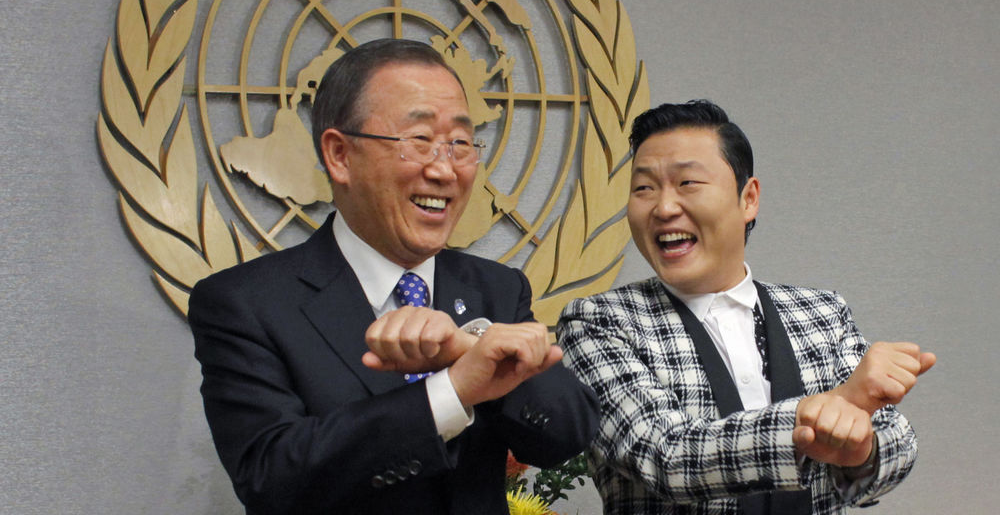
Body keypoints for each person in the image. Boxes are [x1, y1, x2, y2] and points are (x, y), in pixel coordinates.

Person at [189, 38, 599, 515]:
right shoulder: (245, 303)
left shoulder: (496, 288)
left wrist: (473, 347)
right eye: (419, 141)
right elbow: (271, 477)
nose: (444, 169)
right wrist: (450, 391)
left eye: (461, 144)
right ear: (340, 155)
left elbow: (564, 436)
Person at [557, 100, 935, 515]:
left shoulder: (821, 312)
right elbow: (663, 456)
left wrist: (861, 450)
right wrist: (815, 417)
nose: (664, 208)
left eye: (687, 183)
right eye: (644, 188)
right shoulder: (597, 323)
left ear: (748, 198)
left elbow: (895, 441)